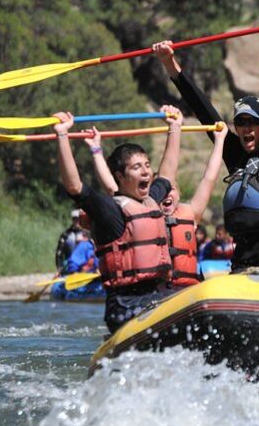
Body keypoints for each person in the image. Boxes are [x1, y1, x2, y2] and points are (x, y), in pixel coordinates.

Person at [152, 15, 259, 275]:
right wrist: (170, 64)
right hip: (241, 264)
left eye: (251, 122)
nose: (245, 128)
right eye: (240, 123)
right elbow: (204, 109)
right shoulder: (235, 155)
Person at [53, 109, 221, 333]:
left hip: (159, 297)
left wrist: (175, 127)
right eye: (136, 167)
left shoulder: (152, 201)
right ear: (120, 177)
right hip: (126, 305)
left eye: (147, 166)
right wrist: (63, 135)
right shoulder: (109, 210)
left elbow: (168, 175)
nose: (146, 172)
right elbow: (75, 186)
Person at [87, 105, 228, 289]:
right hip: (157, 291)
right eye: (164, 190)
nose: (167, 195)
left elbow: (209, 178)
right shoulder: (144, 207)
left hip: (185, 292)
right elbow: (112, 187)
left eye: (172, 191)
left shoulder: (191, 213)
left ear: (179, 194)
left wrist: (219, 141)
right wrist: (96, 151)